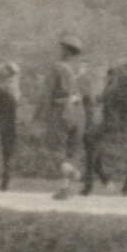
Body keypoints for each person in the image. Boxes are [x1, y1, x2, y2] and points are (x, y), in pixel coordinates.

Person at [44, 34, 91, 198]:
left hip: (62, 111)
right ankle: (64, 189)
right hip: (80, 112)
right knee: (71, 152)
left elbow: (48, 93)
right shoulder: (81, 70)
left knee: (55, 150)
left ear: (64, 50)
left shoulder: (57, 67)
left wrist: (42, 114)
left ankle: (74, 173)